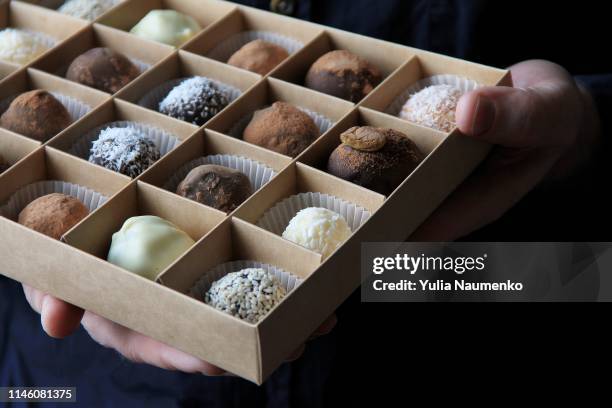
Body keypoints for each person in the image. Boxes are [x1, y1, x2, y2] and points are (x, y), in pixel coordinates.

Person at [1, 1, 609, 406]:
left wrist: (584, 126)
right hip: (87, 384)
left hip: (481, 279)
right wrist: (37, 265)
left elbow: (579, 269)